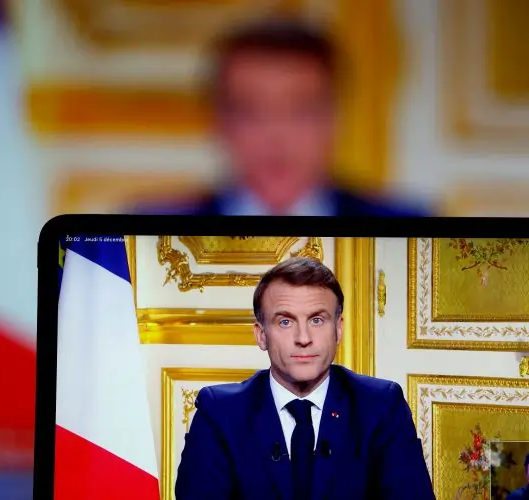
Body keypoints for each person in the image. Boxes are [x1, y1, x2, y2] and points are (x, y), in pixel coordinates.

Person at [175, 257, 435, 499]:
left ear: (338, 329)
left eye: (317, 320)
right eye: (285, 322)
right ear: (261, 335)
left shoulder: (381, 407)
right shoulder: (219, 413)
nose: (303, 338)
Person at [136, 17, 431, 217]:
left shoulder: (415, 232)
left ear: (334, 118)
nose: (277, 136)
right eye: (251, 112)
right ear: (219, 121)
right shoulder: (146, 237)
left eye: (300, 111)